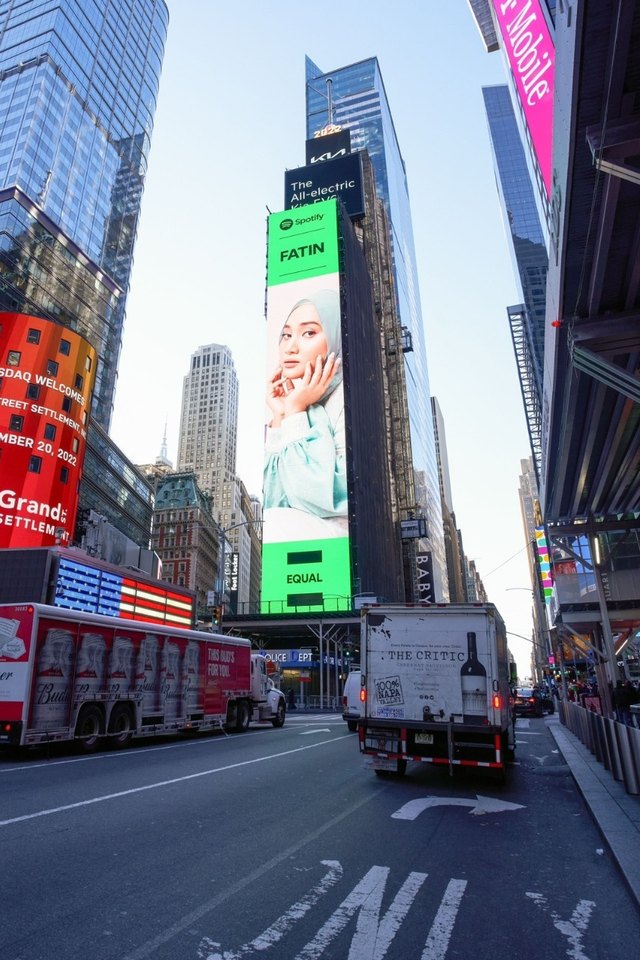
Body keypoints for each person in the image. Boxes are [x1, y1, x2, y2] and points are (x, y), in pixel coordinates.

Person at [263, 289, 348, 539]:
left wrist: (295, 411)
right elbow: (275, 499)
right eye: (286, 335)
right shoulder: (303, 402)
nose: (290, 347)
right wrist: (282, 416)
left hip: (341, 547)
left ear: (334, 336)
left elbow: (320, 499)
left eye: (308, 333)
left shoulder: (348, 396)